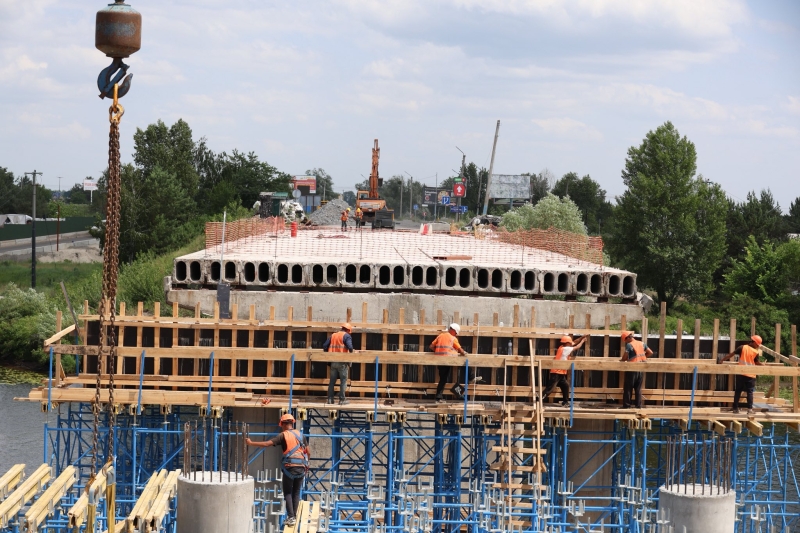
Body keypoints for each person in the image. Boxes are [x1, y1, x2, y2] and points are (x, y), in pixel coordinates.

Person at [245, 413, 309, 527]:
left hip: (290, 467)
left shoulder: (283, 435)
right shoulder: (301, 435)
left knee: (288, 492)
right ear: (292, 423)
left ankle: (291, 517)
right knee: (296, 492)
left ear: (283, 424)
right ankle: (294, 516)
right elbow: (308, 452)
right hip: (302, 467)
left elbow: (266, 444)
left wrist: (251, 443)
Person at [430, 323, 477, 401]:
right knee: (464, 363)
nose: (456, 335)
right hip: (450, 359)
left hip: (440, 360)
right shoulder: (452, 338)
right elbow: (460, 350)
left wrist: (439, 352)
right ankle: (471, 377)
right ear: (453, 330)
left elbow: (431, 346)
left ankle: (438, 397)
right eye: (456, 333)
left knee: (443, 379)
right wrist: (465, 353)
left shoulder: (440, 335)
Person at [718, 335, 763, 413]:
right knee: (750, 392)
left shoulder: (742, 347)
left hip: (741, 373)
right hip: (750, 375)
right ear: (754, 342)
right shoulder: (755, 352)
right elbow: (756, 362)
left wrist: (722, 360)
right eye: (757, 344)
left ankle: (735, 408)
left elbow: (731, 354)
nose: (757, 346)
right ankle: (750, 409)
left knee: (738, 391)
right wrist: (763, 365)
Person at [540, 335, 587, 406]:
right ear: (567, 343)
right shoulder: (566, 349)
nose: (571, 343)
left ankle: (565, 402)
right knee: (550, 388)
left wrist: (581, 337)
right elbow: (577, 347)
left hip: (560, 372)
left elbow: (574, 342)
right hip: (557, 372)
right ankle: (539, 401)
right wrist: (583, 341)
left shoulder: (562, 347)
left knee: (565, 386)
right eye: (570, 342)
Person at [322, 323, 354, 405]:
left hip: (333, 361)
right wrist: (351, 354)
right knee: (343, 381)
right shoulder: (346, 336)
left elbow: (325, 346)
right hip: (342, 361)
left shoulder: (333, 335)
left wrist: (329, 354)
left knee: (332, 381)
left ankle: (330, 399)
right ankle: (342, 400)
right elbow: (350, 347)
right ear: (348, 330)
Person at [620, 331, 652, 408]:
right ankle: (638, 406)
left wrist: (622, 360)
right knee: (638, 388)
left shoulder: (629, 345)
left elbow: (624, 357)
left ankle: (627, 406)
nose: (625, 342)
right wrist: (642, 358)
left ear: (628, 338)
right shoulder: (642, 343)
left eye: (625, 340)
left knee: (628, 388)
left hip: (632, 368)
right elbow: (650, 352)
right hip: (640, 369)